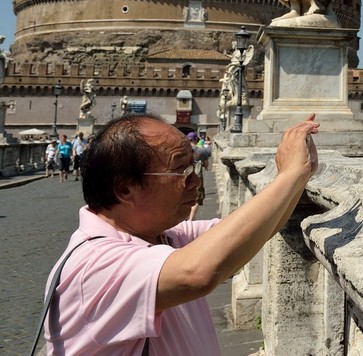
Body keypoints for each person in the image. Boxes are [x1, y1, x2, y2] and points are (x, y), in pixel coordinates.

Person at [42, 112, 319, 354]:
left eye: (195, 166)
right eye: (182, 171)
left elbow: (251, 231)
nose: (196, 180)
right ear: (125, 189)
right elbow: (198, 273)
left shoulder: (163, 236)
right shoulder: (95, 265)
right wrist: (288, 177)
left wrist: (299, 174)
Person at [186, 131, 212, 221]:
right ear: (196, 139)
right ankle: (190, 219)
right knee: (197, 198)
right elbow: (206, 164)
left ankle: (184, 216)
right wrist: (206, 167)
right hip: (197, 176)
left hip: (184, 176)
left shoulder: (183, 150)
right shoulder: (202, 151)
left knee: (185, 196)